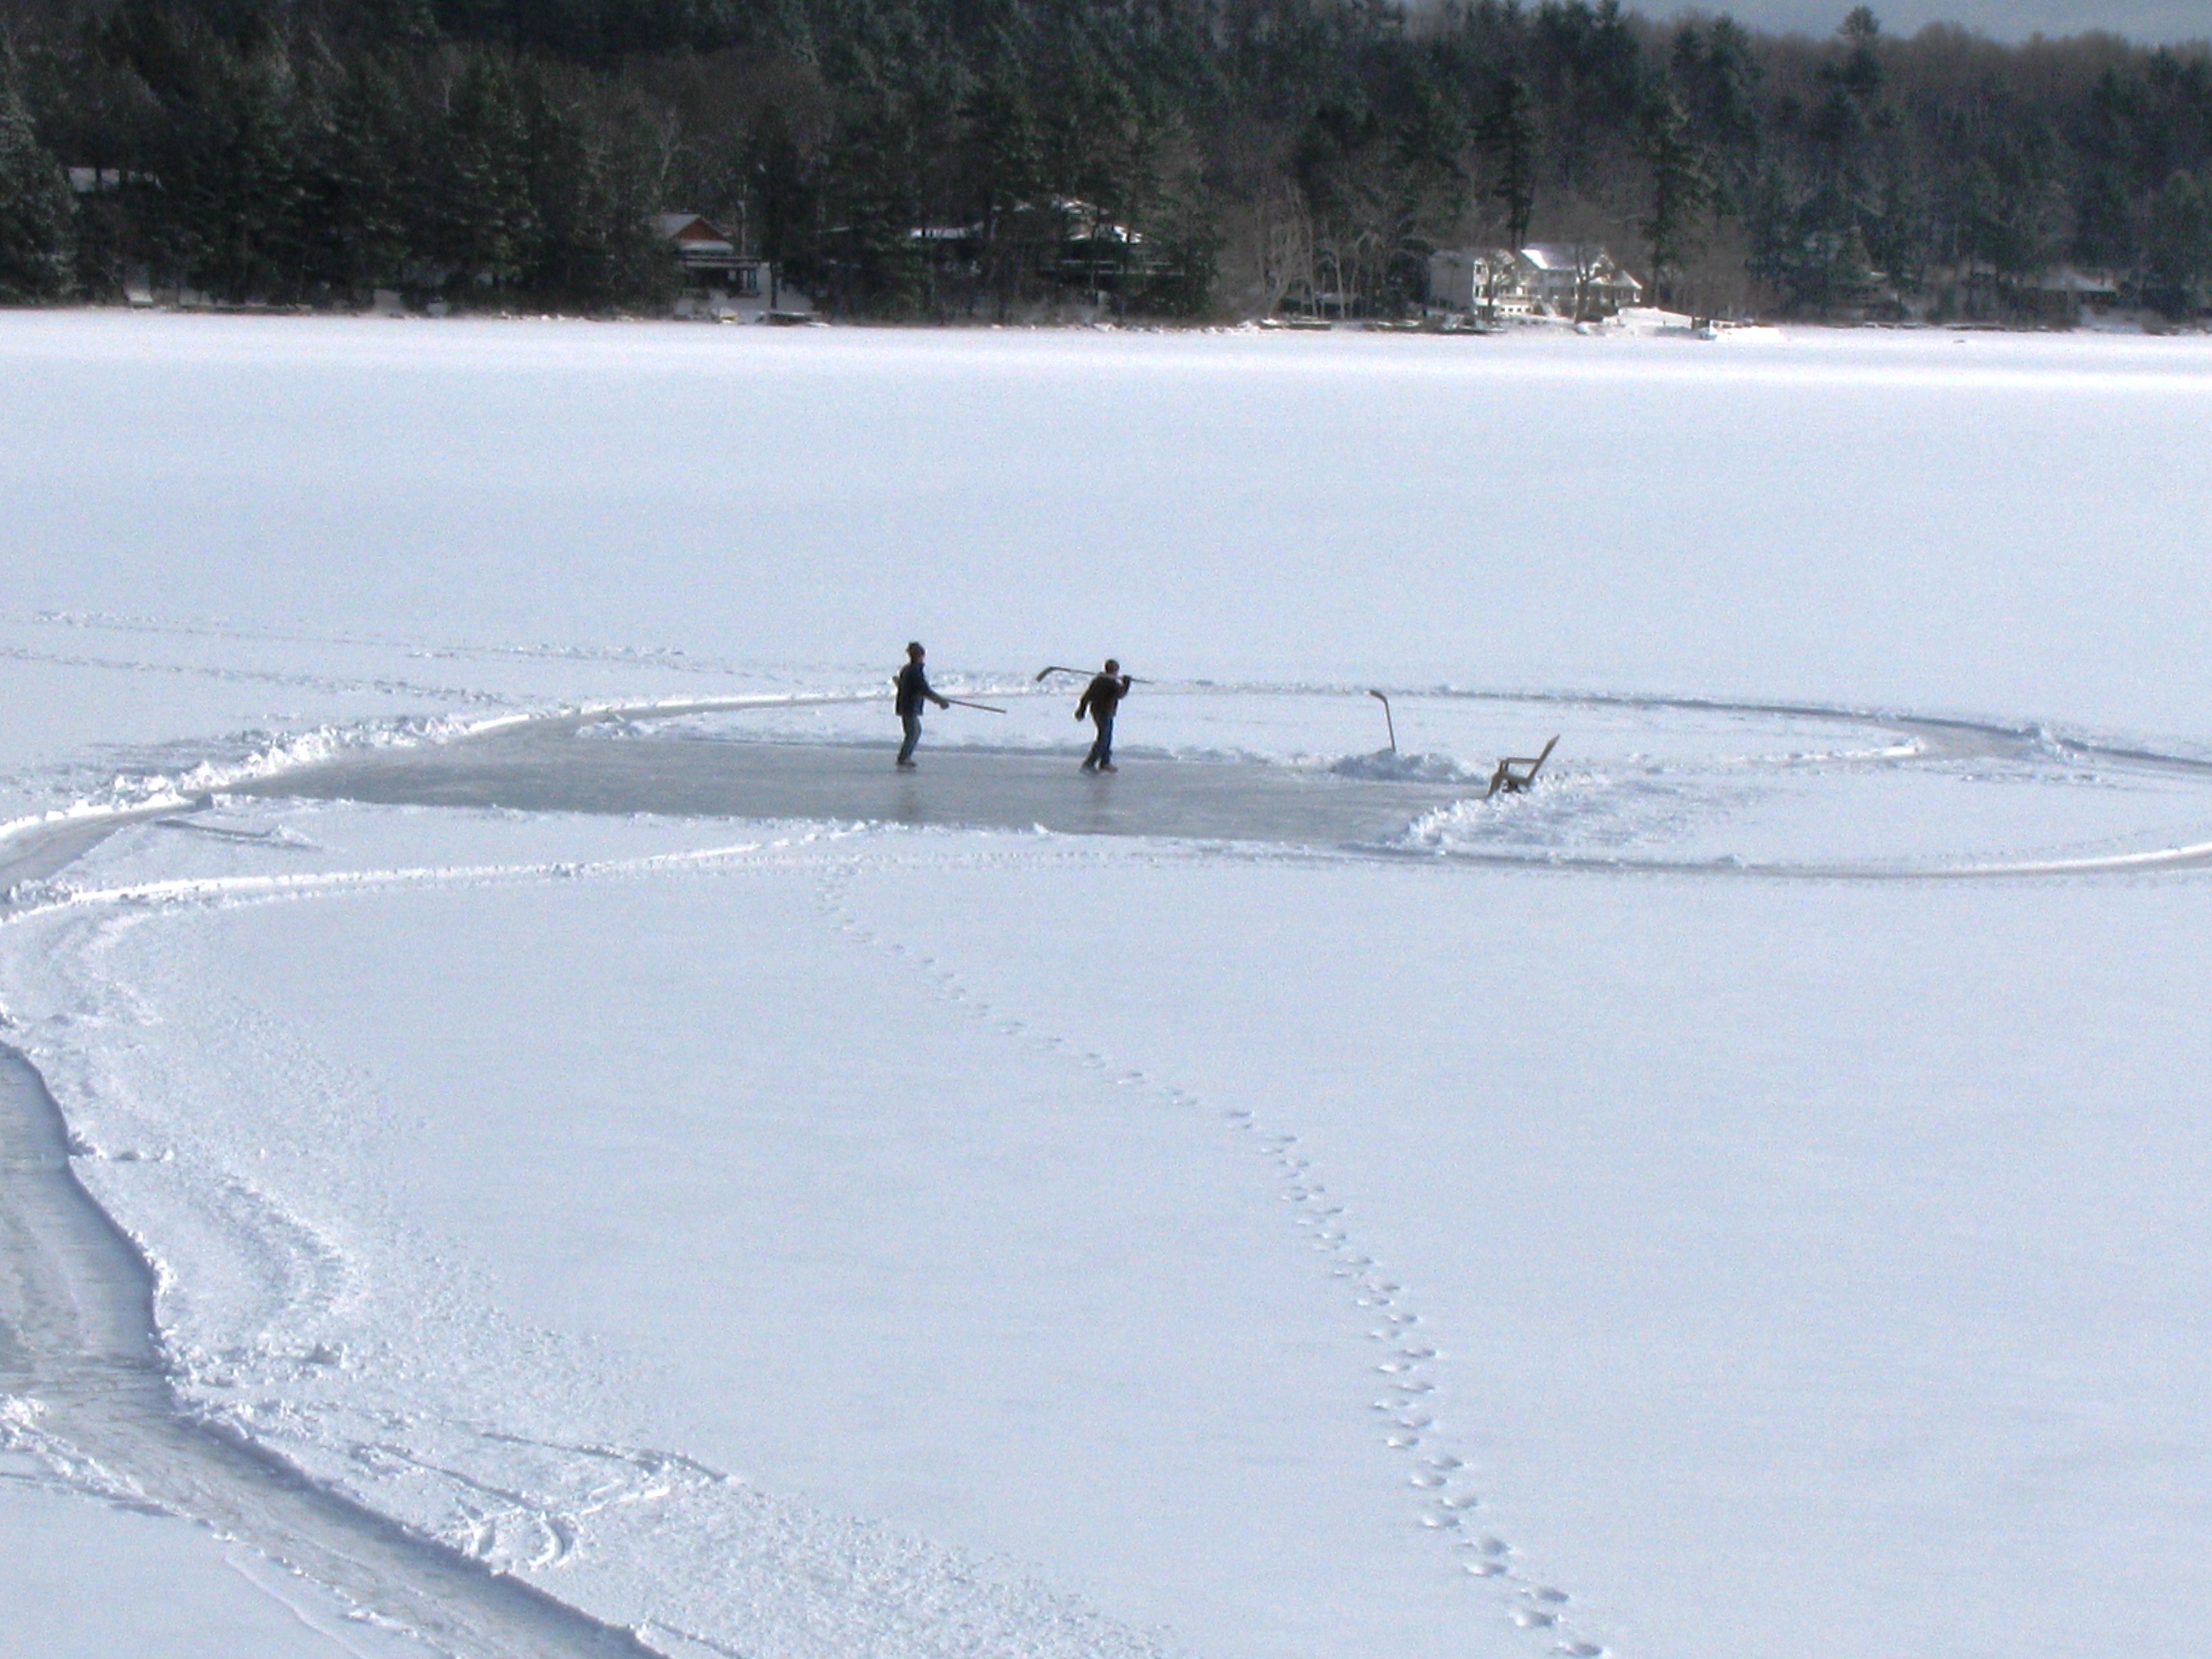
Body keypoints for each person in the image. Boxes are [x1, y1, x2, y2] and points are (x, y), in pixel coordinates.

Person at [894, 641, 949, 769]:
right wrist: (940, 701)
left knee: (915, 732)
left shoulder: (908, 669)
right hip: (909, 706)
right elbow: (924, 690)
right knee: (913, 733)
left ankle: (905, 757)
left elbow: (911, 687)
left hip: (907, 705)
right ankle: (904, 758)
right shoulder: (915, 671)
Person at [1076, 659, 1132, 773]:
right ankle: (1089, 763)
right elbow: (1120, 694)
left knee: (1107, 737)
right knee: (1104, 739)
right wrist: (1126, 684)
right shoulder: (1110, 682)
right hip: (1104, 713)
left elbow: (1086, 697)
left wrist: (1082, 710)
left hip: (1099, 711)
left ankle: (1105, 763)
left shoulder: (1098, 681)